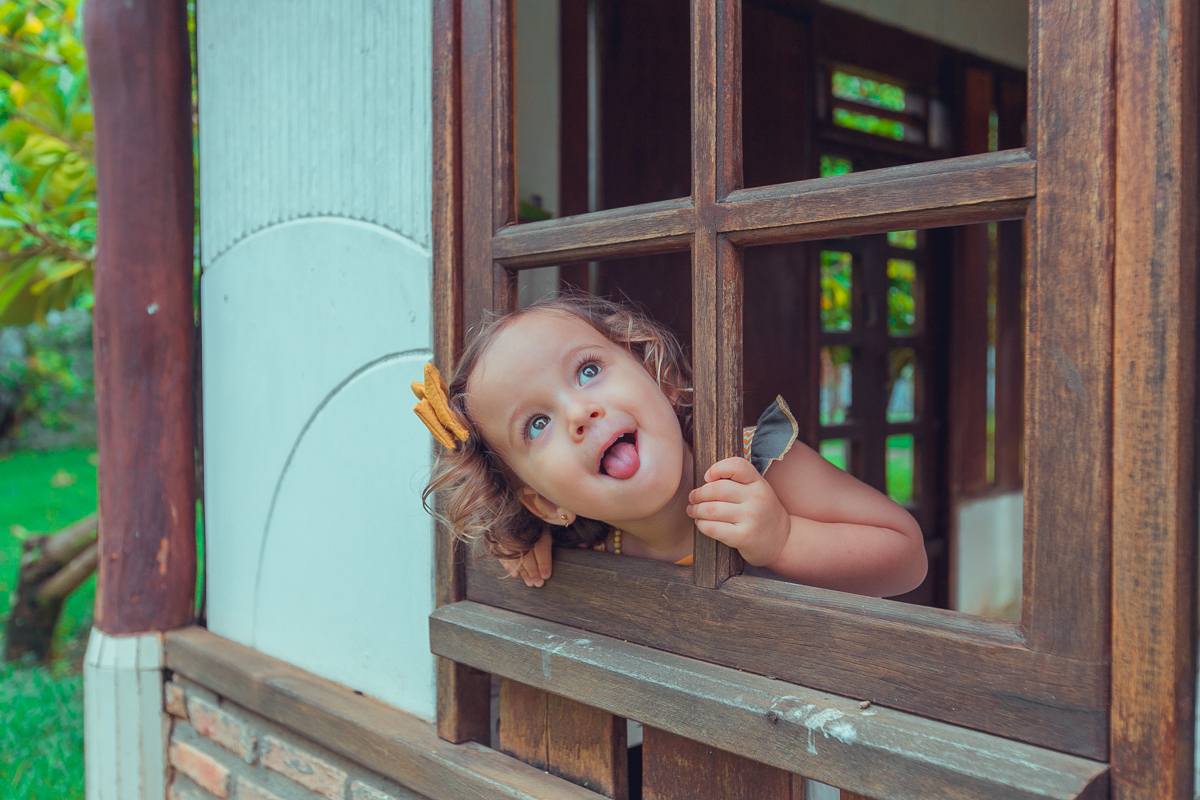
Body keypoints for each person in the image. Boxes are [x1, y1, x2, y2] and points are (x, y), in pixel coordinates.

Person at [419, 294, 926, 598]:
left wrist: (784, 538)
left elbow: (907, 556)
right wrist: (527, 542)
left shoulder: (754, 462)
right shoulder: (587, 546)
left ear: (655, 376)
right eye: (535, 425)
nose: (579, 413)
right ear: (548, 502)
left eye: (588, 371)